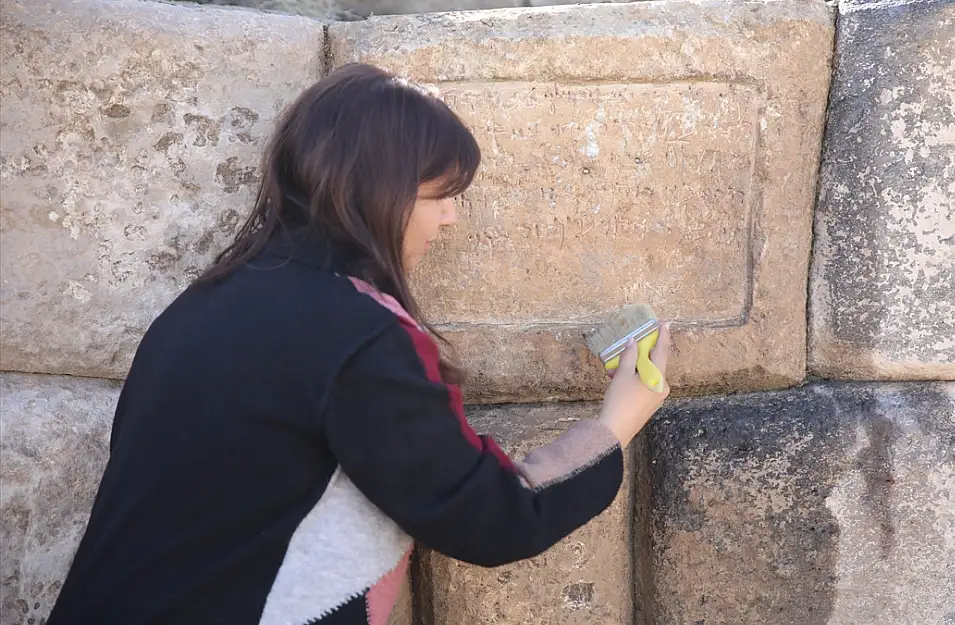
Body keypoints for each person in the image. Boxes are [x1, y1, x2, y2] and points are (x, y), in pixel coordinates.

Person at [46, 62, 671, 625]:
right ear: (379, 193)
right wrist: (615, 424)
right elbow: (491, 515)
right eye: (439, 196)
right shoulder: (364, 335)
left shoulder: (203, 304)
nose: (450, 220)